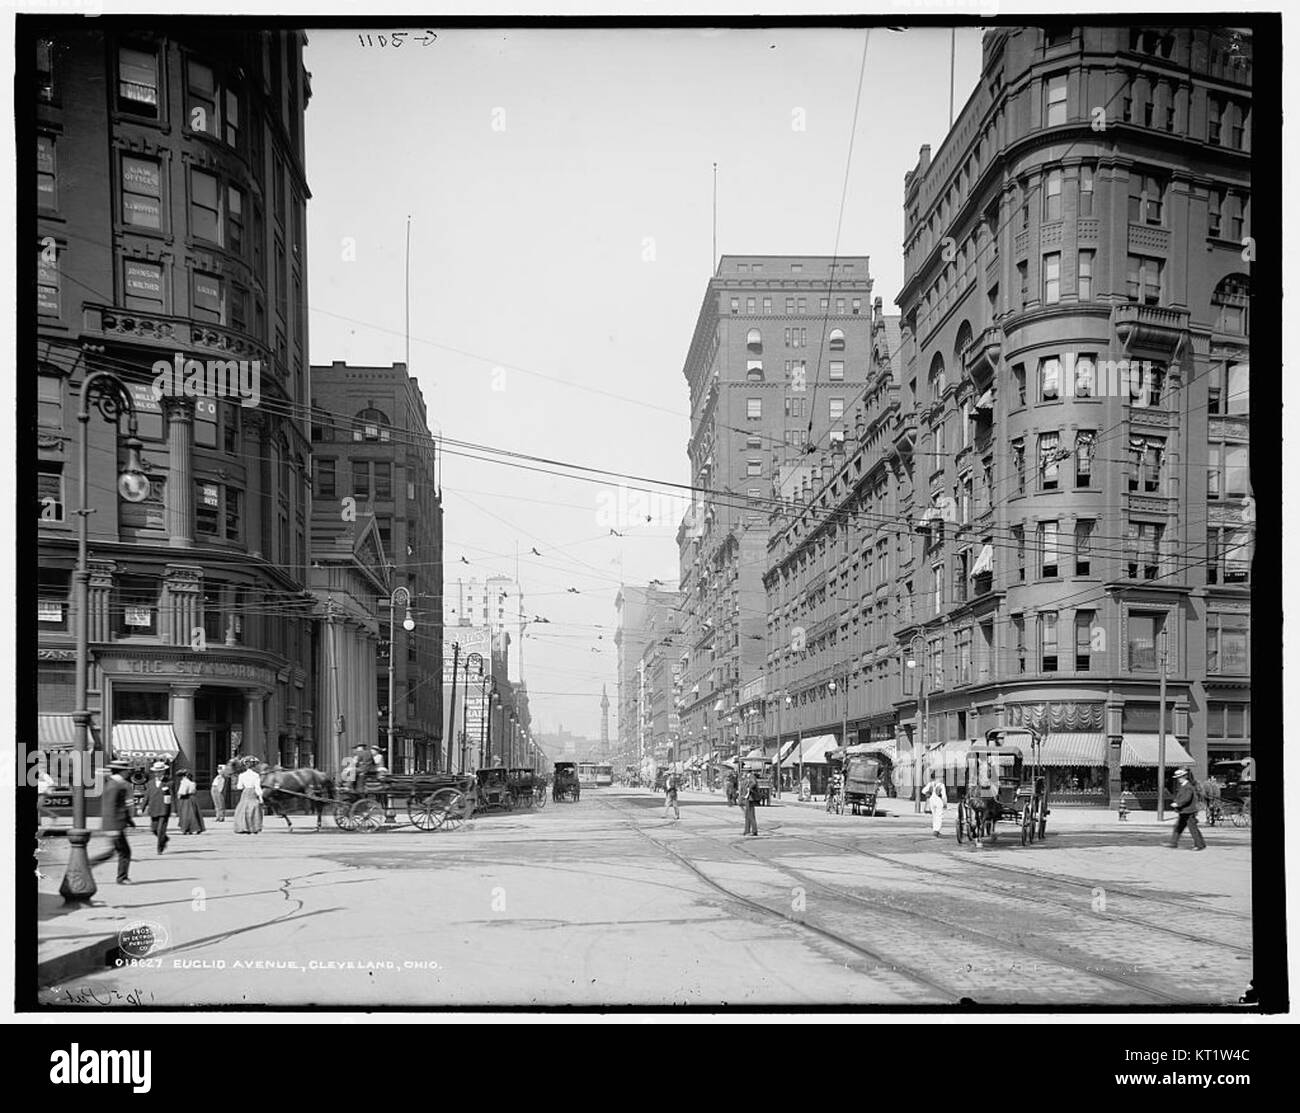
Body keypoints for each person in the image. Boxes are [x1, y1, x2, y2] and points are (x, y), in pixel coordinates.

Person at [91, 760, 136, 884]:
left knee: (117, 851)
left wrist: (129, 820)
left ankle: (90, 865)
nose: (128, 772)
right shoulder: (117, 785)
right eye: (127, 770)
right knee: (124, 852)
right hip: (115, 824)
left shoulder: (112, 783)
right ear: (122, 771)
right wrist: (114, 828)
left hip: (115, 823)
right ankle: (122, 877)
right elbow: (111, 807)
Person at [1167, 768, 1206, 850]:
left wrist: (1178, 804)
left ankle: (1199, 845)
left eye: (1180, 777)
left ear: (1184, 777)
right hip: (1184, 811)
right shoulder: (1184, 786)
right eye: (1178, 777)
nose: (1178, 779)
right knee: (1178, 827)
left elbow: (1187, 798)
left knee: (1193, 829)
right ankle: (1173, 842)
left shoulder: (1188, 787)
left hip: (1188, 811)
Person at [143, 761, 171, 854]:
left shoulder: (169, 782)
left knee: (161, 830)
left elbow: (172, 797)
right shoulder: (150, 783)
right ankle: (165, 839)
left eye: (159, 771)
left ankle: (160, 848)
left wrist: (174, 810)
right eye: (156, 771)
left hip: (164, 809)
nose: (157, 773)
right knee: (154, 829)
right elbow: (146, 796)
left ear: (163, 772)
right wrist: (141, 807)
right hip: (153, 808)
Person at [232, 757, 264, 834]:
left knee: (243, 808)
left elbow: (239, 787)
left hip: (245, 791)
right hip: (253, 791)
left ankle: (243, 827)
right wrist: (260, 797)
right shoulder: (256, 775)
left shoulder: (242, 775)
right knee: (254, 808)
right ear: (254, 766)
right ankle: (254, 827)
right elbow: (257, 787)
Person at [175, 768, 205, 834]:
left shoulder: (185, 782)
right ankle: (196, 828)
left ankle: (187, 828)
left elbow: (182, 792)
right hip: (192, 798)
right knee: (193, 813)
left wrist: (179, 796)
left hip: (186, 799)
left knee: (186, 814)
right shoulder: (192, 782)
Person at [923, 770, 948, 836]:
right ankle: (937, 830)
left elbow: (923, 791)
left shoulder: (930, 784)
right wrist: (945, 803)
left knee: (934, 815)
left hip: (931, 800)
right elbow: (944, 795)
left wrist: (928, 794)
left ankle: (934, 829)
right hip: (939, 800)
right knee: (939, 815)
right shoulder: (941, 785)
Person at [742, 769, 760, 836]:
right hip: (747, 797)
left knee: (751, 815)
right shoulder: (747, 777)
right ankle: (747, 830)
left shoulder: (751, 777)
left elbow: (754, 783)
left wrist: (748, 787)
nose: (743, 772)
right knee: (747, 815)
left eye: (744, 770)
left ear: (747, 771)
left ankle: (754, 831)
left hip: (750, 798)